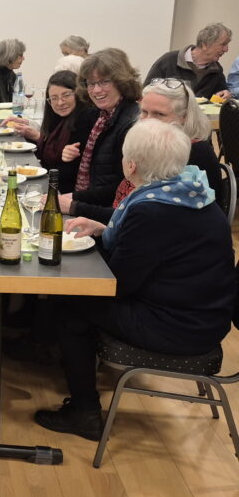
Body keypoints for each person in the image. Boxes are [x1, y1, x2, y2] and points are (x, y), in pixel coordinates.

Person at [34, 120, 235, 441]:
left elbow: (119, 284)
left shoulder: (152, 211)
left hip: (177, 327)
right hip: (204, 316)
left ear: (131, 165)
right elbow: (158, 242)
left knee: (68, 304)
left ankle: (85, 412)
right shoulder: (192, 193)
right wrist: (104, 229)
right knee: (72, 291)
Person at [66, 79, 222, 222]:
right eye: (144, 112)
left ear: (184, 117)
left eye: (159, 114)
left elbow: (149, 218)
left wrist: (76, 207)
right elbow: (124, 193)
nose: (147, 120)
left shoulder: (193, 153)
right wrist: (75, 201)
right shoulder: (151, 144)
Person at [58, 48, 141, 209]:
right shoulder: (96, 116)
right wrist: (68, 154)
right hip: (89, 204)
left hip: (108, 216)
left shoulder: (131, 123)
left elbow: (122, 186)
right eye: (91, 83)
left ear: (121, 81)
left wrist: (73, 200)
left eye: (104, 82)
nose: (96, 90)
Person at [4, 70, 89, 191]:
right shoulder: (57, 119)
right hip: (49, 181)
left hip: (63, 192)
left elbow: (68, 172)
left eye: (66, 95)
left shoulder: (83, 120)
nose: (60, 102)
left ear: (78, 93)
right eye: (54, 98)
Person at [144, 22, 232, 99]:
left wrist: (225, 94)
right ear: (205, 45)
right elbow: (146, 91)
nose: (226, 49)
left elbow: (222, 92)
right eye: (223, 44)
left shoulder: (216, 70)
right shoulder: (169, 60)